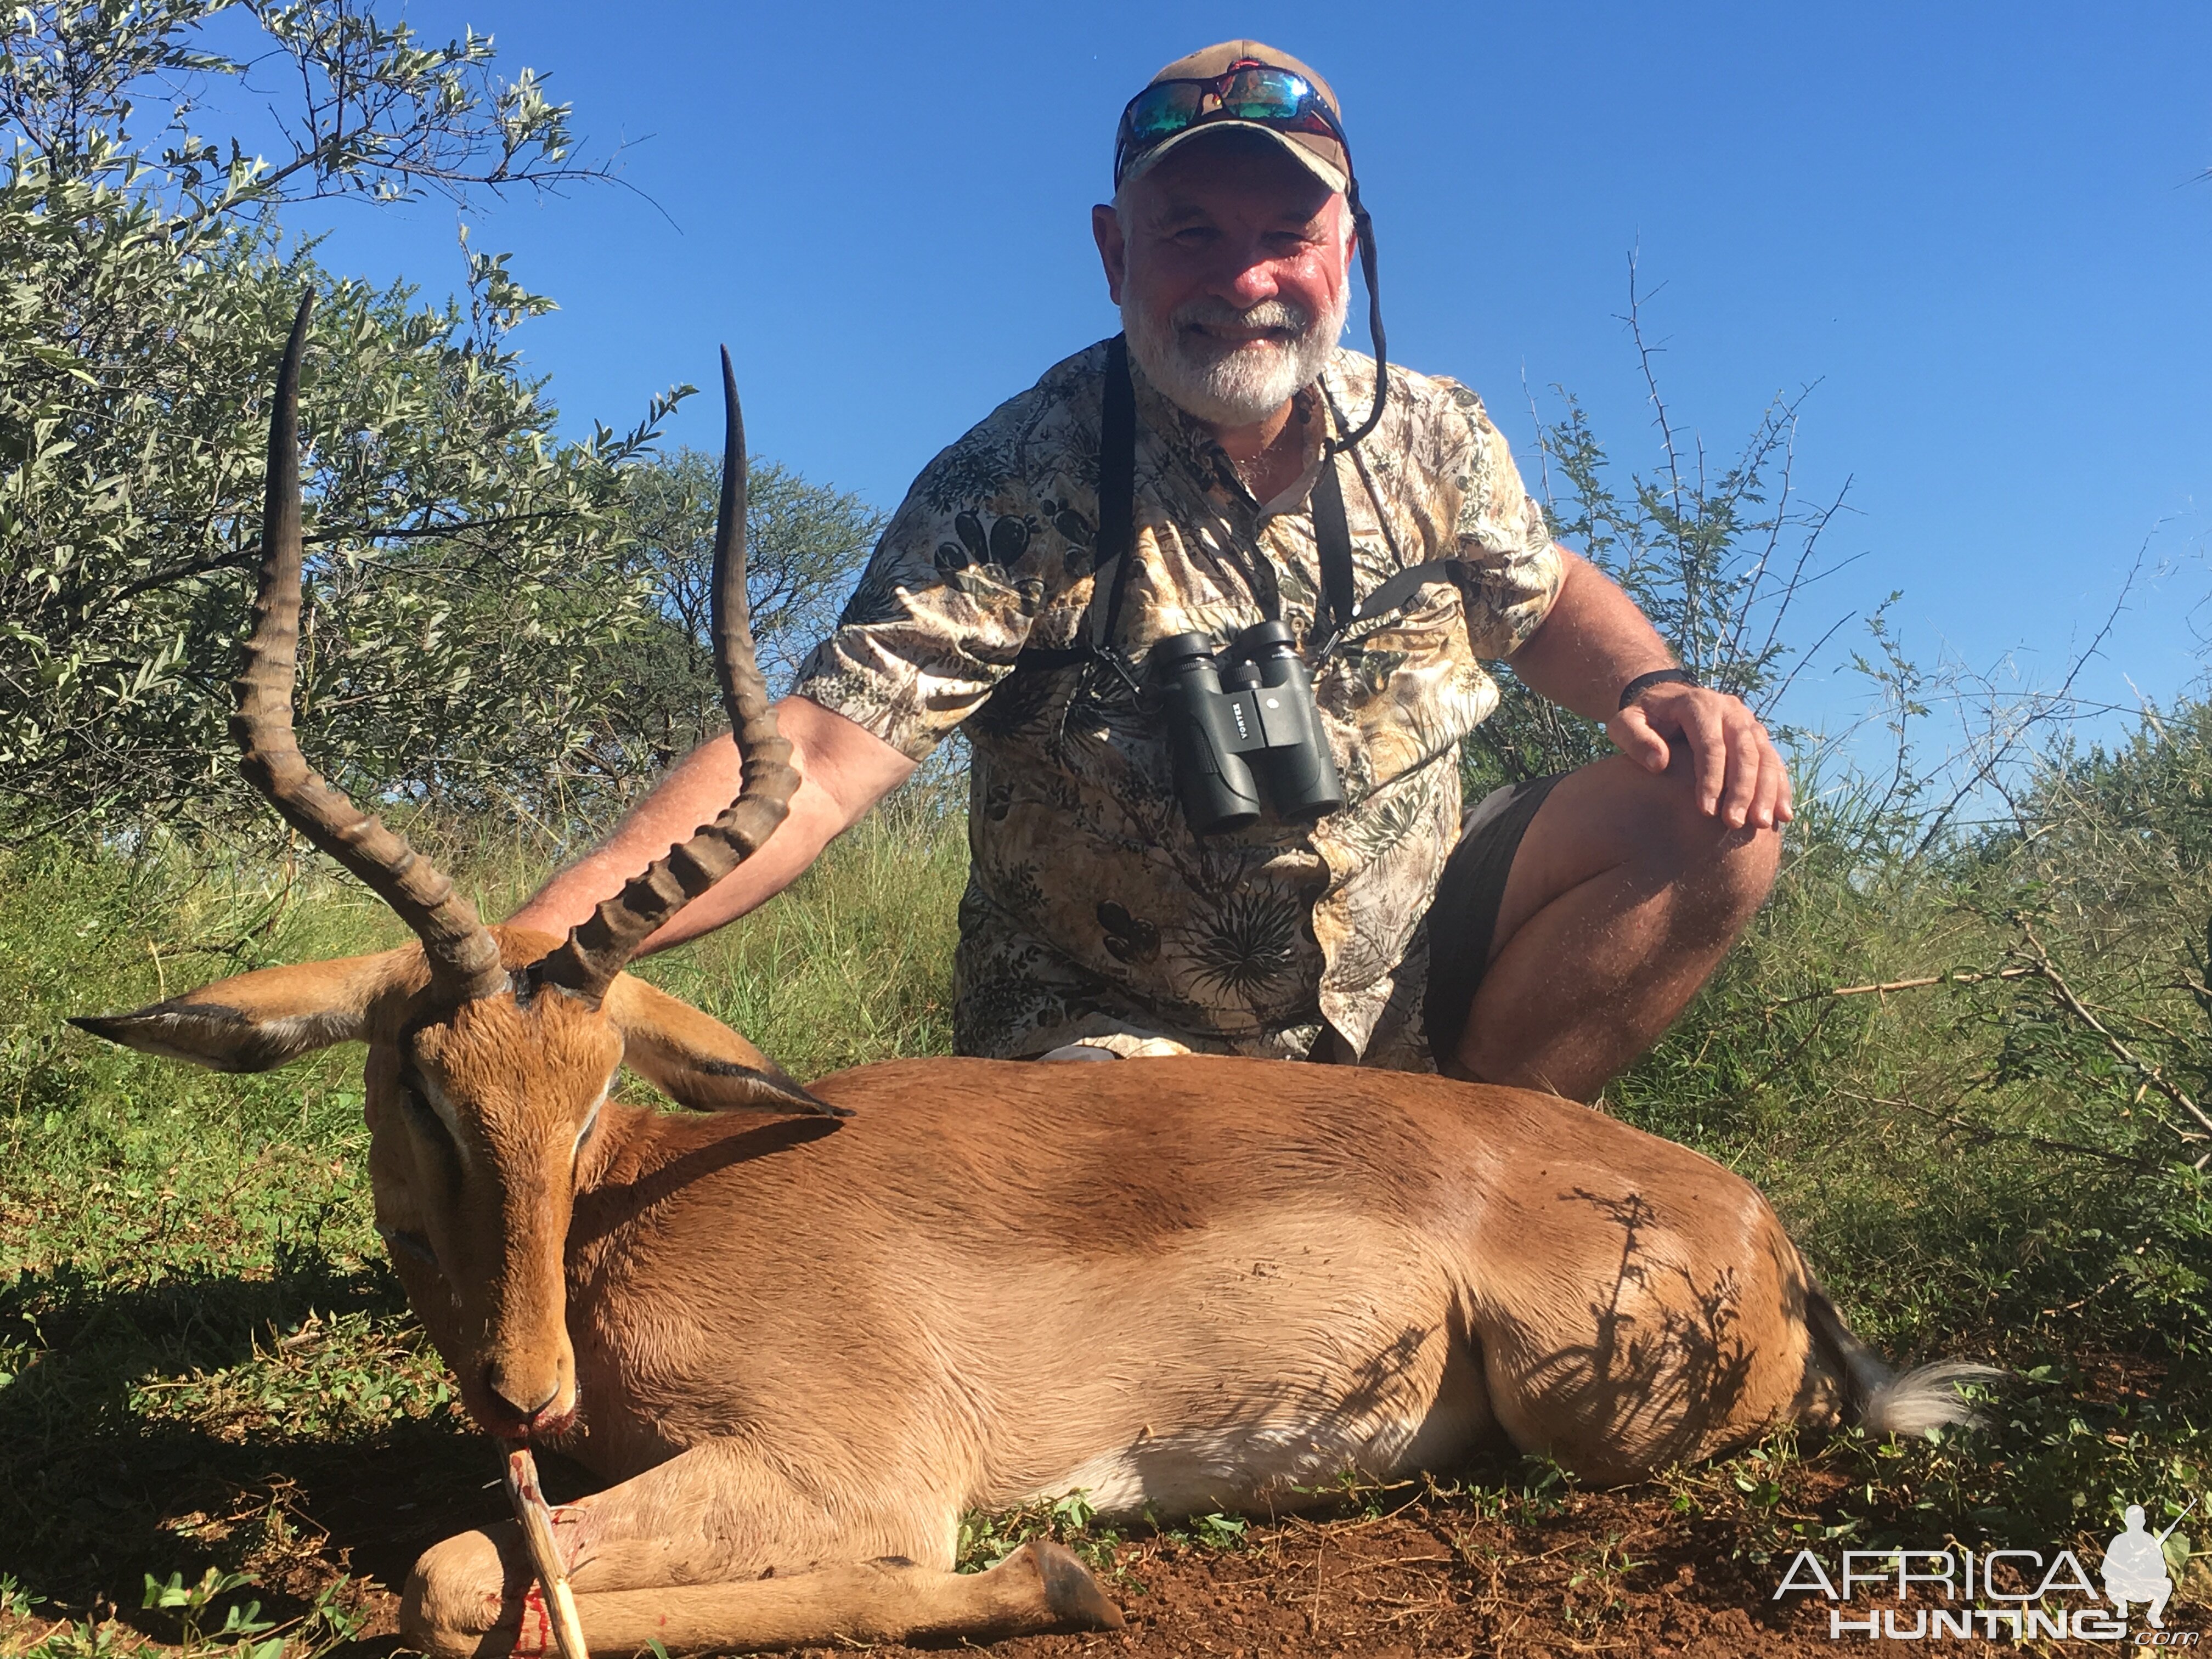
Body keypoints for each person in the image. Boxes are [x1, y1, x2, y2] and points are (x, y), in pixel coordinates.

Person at [511, 41, 1791, 1097]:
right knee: (1204, 1235)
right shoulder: (1015, 476)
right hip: (1126, 1042)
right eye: (1188, 233)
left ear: (1349, 249)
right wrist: (539, 948)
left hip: (1409, 988)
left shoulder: (1437, 433)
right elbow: (822, 755)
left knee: (1710, 815)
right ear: (1115, 252)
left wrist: (1663, 687)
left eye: (1287, 232)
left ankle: (1488, 1155)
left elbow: (1547, 593)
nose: (1245, 279)